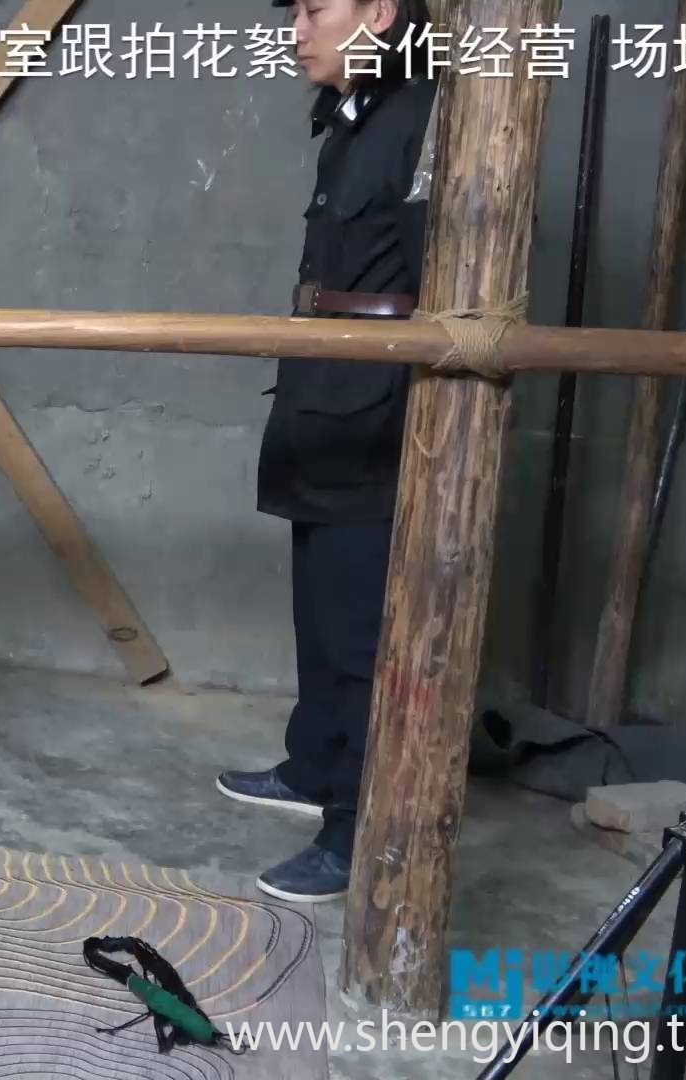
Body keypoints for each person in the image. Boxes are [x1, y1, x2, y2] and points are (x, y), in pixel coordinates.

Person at [214, 0, 436, 905]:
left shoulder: (425, 119)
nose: (297, 29)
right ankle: (313, 765)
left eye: (316, 8)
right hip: (325, 389)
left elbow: (440, 284)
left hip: (376, 405)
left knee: (359, 630)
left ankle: (354, 829)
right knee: (319, 605)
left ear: (380, 11)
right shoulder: (352, 118)